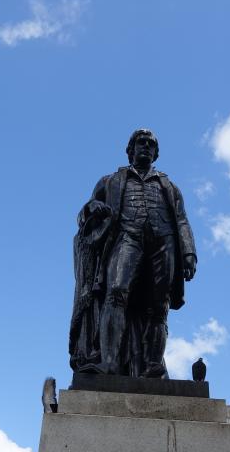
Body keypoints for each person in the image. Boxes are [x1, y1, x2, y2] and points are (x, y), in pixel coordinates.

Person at [69, 129, 197, 378]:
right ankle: (110, 362)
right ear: (131, 150)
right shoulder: (110, 181)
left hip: (163, 243)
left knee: (159, 304)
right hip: (127, 237)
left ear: (156, 153)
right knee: (116, 292)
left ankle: (152, 364)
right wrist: (92, 207)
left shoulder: (169, 186)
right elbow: (85, 213)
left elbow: (182, 220)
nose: (146, 146)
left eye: (151, 144)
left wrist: (189, 252)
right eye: (141, 143)